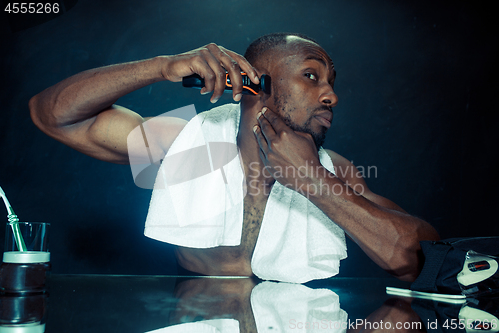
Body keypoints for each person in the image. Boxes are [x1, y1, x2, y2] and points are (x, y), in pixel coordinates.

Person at [29, 32, 439, 282]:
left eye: (331, 82)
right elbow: (53, 117)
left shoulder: (334, 171)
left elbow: (425, 257)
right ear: (255, 83)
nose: (331, 95)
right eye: (311, 76)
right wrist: (162, 67)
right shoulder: (189, 143)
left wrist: (314, 182)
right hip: (193, 318)